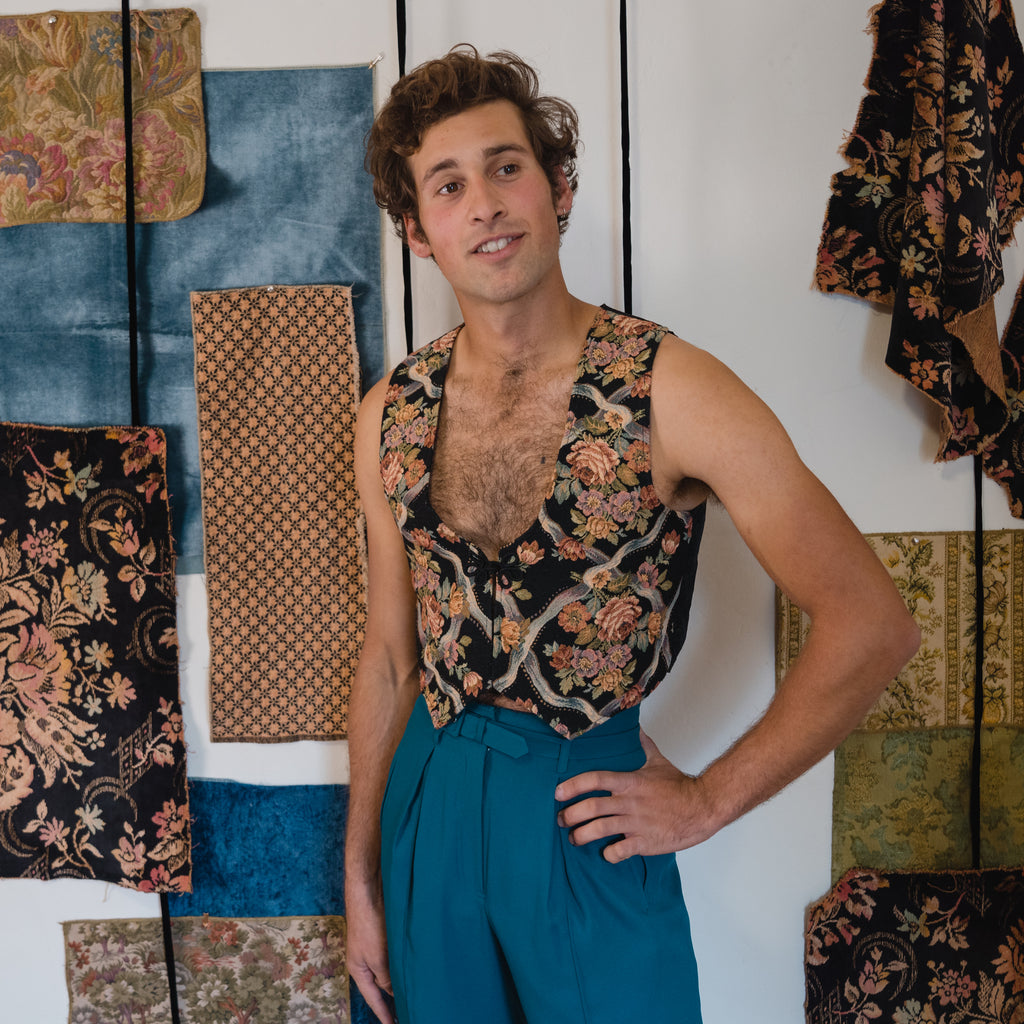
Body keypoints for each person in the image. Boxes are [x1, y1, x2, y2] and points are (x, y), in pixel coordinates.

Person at [344, 44, 919, 1024]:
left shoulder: (673, 389)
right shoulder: (389, 410)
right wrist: (359, 874)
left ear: (558, 188)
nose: (482, 201)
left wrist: (705, 798)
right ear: (415, 229)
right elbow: (392, 656)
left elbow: (871, 622)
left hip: (584, 814)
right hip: (426, 807)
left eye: (505, 165)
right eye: (448, 185)